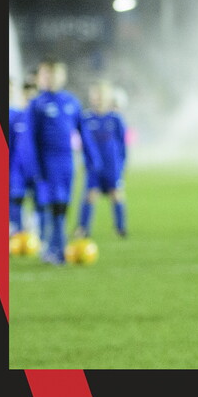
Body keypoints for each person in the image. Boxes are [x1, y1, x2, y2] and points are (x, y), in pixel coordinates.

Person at [28, 57, 100, 264]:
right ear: (41, 78)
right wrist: (35, 166)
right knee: (55, 206)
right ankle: (57, 251)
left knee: (63, 206)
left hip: (67, 162)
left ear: (63, 76)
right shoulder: (37, 104)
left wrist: (92, 158)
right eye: (46, 75)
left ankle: (51, 248)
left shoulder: (71, 102)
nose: (50, 79)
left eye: (55, 74)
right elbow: (30, 140)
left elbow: (83, 132)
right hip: (47, 162)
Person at [75, 79, 128, 238]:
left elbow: (122, 144)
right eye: (95, 95)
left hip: (112, 166)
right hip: (93, 166)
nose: (98, 99)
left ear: (108, 98)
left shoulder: (116, 119)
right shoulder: (86, 118)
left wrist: (122, 164)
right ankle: (83, 229)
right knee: (90, 195)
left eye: (101, 95)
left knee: (116, 194)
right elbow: (82, 143)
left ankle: (120, 228)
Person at [9, 78, 38, 237]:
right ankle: (16, 233)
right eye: (27, 96)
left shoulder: (42, 119)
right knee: (16, 198)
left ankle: (35, 232)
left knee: (39, 201)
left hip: (37, 167)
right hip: (17, 167)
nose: (29, 100)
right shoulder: (17, 117)